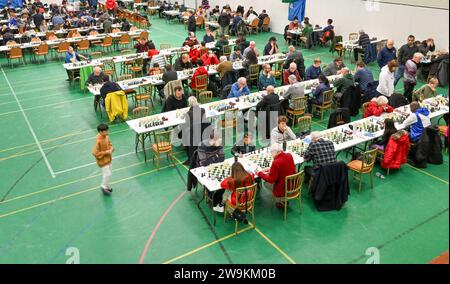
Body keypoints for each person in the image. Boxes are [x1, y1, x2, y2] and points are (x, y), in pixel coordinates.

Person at [256, 143, 296, 209]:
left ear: (276, 152)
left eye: (271, 152)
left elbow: (271, 180)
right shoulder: (289, 155)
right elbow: (283, 167)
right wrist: (270, 169)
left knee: (265, 183)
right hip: (293, 183)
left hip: (283, 187)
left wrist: (259, 173)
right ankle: (283, 199)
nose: (271, 154)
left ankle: (281, 200)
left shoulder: (276, 162)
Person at [197, 131, 225, 211]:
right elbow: (204, 162)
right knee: (211, 184)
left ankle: (218, 198)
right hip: (202, 169)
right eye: (219, 141)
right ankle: (211, 199)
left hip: (216, 167)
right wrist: (215, 157)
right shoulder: (202, 145)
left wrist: (212, 159)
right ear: (212, 140)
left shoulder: (219, 144)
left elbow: (222, 158)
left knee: (224, 182)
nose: (220, 143)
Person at [178, 96, 209, 165]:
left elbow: (186, 126)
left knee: (183, 136)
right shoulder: (203, 110)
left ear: (189, 104)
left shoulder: (188, 114)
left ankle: (190, 158)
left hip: (194, 135)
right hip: (203, 132)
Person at [92, 123, 114, 195]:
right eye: (106, 131)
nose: (108, 132)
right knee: (107, 174)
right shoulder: (98, 140)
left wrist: (111, 148)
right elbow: (95, 153)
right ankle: (103, 186)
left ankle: (106, 186)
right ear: (101, 132)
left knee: (109, 173)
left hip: (108, 159)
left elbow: (109, 143)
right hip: (103, 161)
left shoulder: (106, 136)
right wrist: (106, 152)